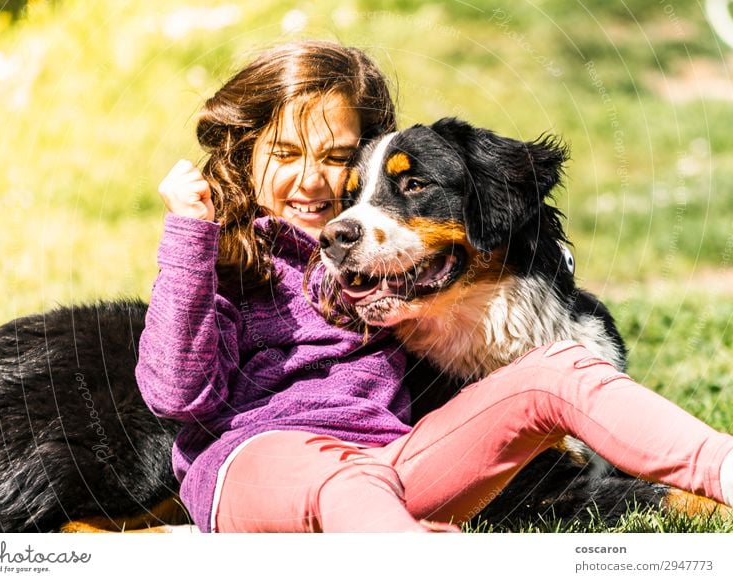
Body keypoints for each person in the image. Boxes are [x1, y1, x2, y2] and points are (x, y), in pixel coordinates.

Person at [135, 39, 733, 533]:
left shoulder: (377, 276)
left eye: (337, 157)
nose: (313, 178)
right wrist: (191, 237)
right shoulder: (225, 265)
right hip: (262, 462)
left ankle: (722, 467)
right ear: (245, 156)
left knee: (558, 368)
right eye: (286, 152)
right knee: (351, 479)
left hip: (398, 460)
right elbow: (174, 393)